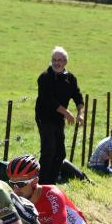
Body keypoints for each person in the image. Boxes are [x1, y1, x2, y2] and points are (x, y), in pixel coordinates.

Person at [35, 46, 84, 185]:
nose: (57, 63)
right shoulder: (44, 77)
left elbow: (78, 97)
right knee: (48, 150)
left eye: (60, 60)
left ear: (65, 62)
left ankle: (52, 183)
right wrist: (67, 112)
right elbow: (47, 100)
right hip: (44, 118)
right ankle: (42, 185)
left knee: (60, 153)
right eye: (54, 60)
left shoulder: (70, 78)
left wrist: (80, 113)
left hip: (58, 120)